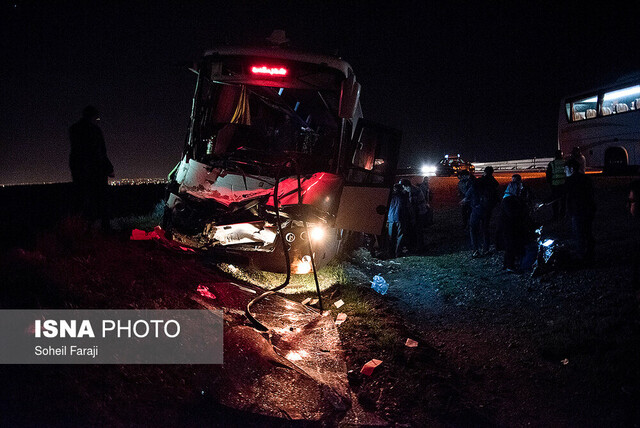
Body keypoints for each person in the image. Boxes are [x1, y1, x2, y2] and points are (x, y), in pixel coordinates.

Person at [69, 105, 114, 231]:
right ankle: (105, 227)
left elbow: (76, 150)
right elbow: (100, 151)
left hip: (79, 169)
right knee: (102, 198)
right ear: (93, 116)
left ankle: (84, 227)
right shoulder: (95, 130)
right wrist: (109, 168)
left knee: (83, 198)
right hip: (95, 169)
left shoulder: (73, 129)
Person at [564, 158, 596, 264]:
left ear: (572, 169)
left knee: (579, 234)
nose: (565, 171)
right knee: (588, 232)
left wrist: (544, 202)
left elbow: (561, 193)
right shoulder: (586, 179)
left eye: (566, 169)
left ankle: (581, 256)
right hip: (589, 210)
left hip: (578, 211)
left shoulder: (571, 181)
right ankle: (590, 253)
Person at [498, 176, 531, 272]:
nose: (521, 191)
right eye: (519, 189)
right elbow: (513, 214)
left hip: (510, 226)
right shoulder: (508, 200)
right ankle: (509, 266)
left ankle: (508, 264)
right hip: (508, 227)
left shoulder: (510, 198)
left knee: (511, 245)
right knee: (510, 245)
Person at [475, 166, 500, 254]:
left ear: (485, 172)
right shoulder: (493, 181)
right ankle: (486, 247)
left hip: (481, 205)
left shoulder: (482, 180)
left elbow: (476, 187)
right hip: (489, 206)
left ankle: (478, 247)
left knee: (477, 226)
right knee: (485, 227)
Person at [401, 178, 428, 252]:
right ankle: (418, 245)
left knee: (418, 230)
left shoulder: (413, 191)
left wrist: (413, 217)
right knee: (418, 230)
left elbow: (413, 205)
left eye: (402, 186)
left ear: (405, 185)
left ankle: (419, 247)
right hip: (421, 211)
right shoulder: (414, 189)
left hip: (419, 212)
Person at [386, 183, 409, 258]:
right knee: (400, 235)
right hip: (400, 217)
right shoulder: (404, 196)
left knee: (391, 236)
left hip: (391, 218)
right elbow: (408, 206)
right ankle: (398, 252)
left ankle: (390, 252)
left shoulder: (390, 196)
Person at [546, 150, 566, 221]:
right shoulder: (565, 163)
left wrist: (549, 184)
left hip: (555, 185)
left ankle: (555, 215)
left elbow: (548, 175)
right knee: (563, 201)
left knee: (555, 201)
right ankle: (563, 215)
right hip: (564, 185)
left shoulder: (552, 164)